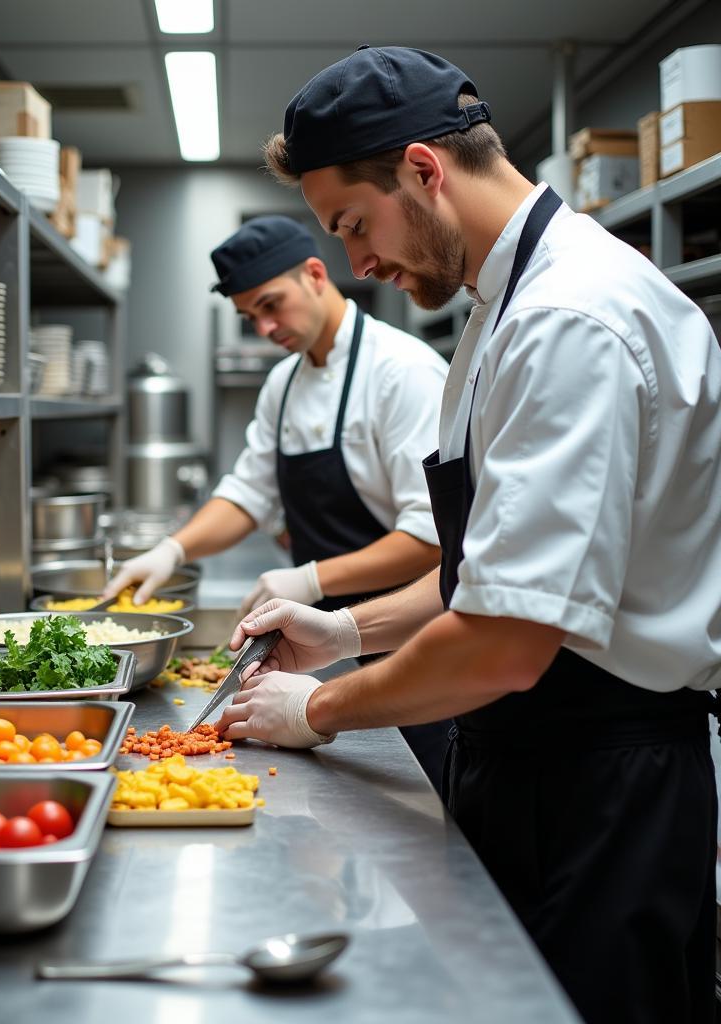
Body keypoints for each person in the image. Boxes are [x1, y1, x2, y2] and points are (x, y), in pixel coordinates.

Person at [219, 46, 721, 1024]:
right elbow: (487, 575)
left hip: (601, 791)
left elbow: (502, 639)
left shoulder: (570, 317)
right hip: (530, 762)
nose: (356, 263)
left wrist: (317, 709)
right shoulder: (502, 312)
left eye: (353, 226)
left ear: (421, 169)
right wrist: (348, 631)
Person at [103, 214, 452, 784]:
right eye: (250, 316)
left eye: (270, 305)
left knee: (416, 794)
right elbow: (246, 494)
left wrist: (311, 578)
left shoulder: (401, 373)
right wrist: (171, 550)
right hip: (319, 644)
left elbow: (431, 538)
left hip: (408, 641)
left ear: (316, 274)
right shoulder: (284, 382)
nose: (264, 327)